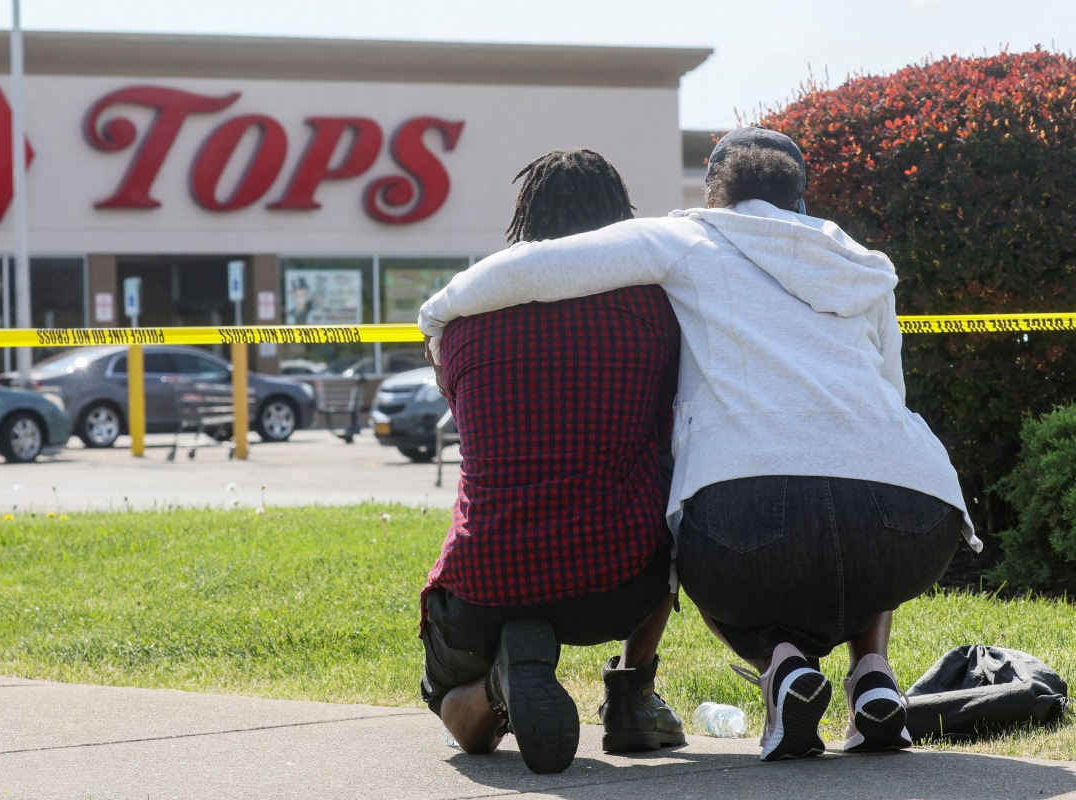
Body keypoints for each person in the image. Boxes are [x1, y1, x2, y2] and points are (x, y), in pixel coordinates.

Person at [420, 127, 983, 762]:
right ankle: (867, 676)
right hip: (915, 516)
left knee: (714, 531)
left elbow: (543, 266)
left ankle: (782, 666)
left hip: (727, 518)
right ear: (800, 199)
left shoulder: (689, 237)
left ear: (714, 195)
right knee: (847, 473)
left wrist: (438, 313)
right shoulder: (860, 264)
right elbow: (889, 397)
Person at [418, 148, 684, 775]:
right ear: (619, 220)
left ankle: (495, 688)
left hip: (485, 581)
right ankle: (632, 696)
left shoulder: (462, 325)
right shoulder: (656, 315)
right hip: (615, 579)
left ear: (523, 221)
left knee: (461, 723)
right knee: (674, 486)